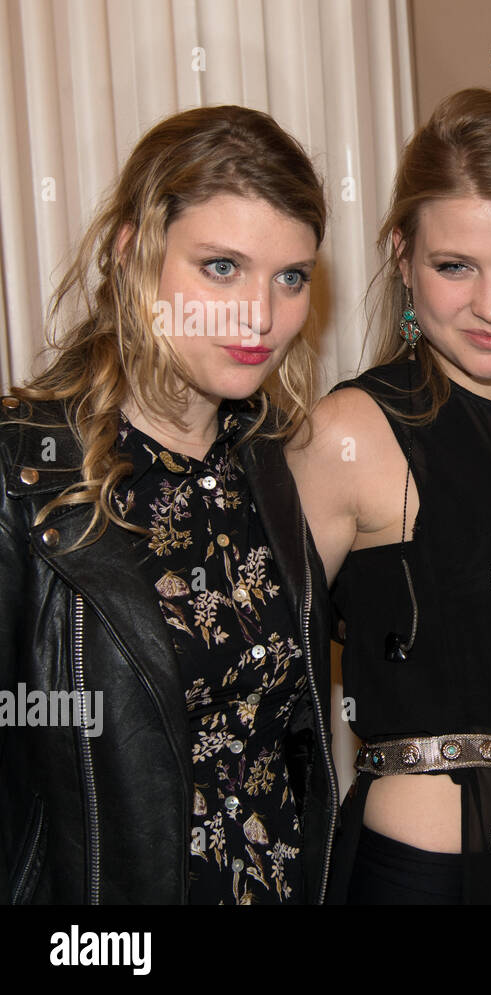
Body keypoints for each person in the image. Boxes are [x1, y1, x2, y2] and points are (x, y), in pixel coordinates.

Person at [288, 88, 491, 905]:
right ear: (402, 255)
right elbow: (261, 687)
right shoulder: (352, 431)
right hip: (421, 877)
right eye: (454, 266)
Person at [0, 105, 337, 904]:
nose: (261, 315)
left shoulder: (274, 460)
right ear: (131, 254)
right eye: (222, 266)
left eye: (290, 276)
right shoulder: (26, 471)